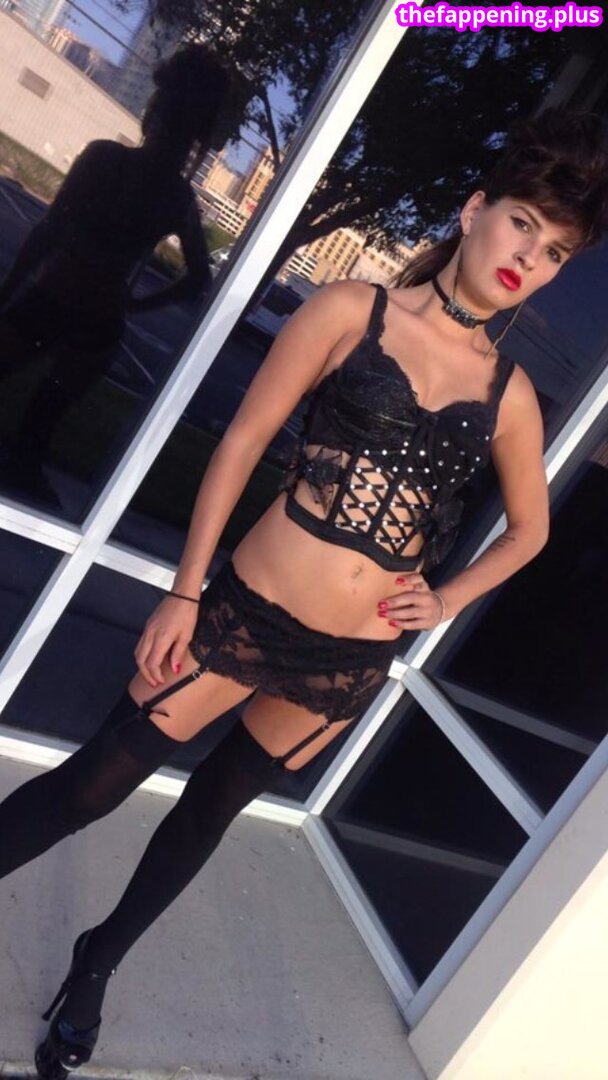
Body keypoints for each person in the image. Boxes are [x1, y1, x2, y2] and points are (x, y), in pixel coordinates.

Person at [1, 105, 607, 1078]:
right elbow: (242, 444)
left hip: (348, 660)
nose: (526, 258)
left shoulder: (511, 395)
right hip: (241, 613)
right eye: (521, 225)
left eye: (553, 253)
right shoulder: (351, 312)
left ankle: (97, 963)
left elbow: (530, 533)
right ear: (474, 210)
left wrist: (445, 600)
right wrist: (185, 592)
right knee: (92, 786)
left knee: (208, 814)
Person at [0, 43, 248, 507]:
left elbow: (48, 232)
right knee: (35, 436)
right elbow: (197, 279)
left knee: (30, 430)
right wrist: (133, 304)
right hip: (99, 323)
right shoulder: (176, 198)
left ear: (156, 111)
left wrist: (8, 292)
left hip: (52, 298)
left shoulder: (106, 159)